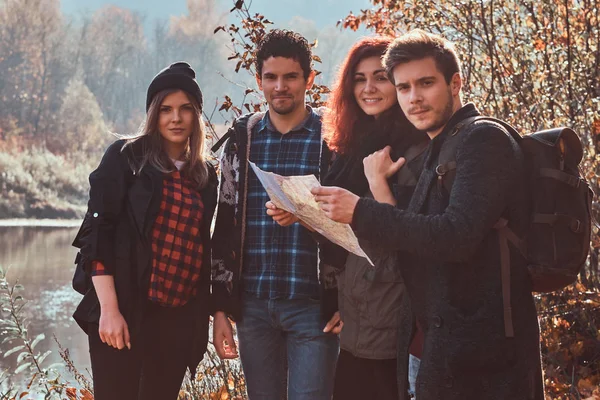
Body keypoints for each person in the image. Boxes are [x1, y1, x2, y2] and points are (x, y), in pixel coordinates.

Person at [311, 30, 544, 399]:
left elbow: (457, 235)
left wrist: (360, 210)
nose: (413, 98)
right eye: (403, 88)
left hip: (484, 357)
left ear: (455, 83)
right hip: (436, 348)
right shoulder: (440, 144)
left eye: (425, 83)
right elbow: (411, 241)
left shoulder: (483, 139)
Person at [71, 62, 218, 400]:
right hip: (124, 311)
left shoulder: (205, 176)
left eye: (185, 109)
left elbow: (204, 248)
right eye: (166, 109)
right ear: (154, 114)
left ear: (196, 115)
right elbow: (98, 234)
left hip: (176, 323)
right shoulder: (126, 157)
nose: (176, 118)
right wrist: (109, 310)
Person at [211, 29, 338, 399]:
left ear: (309, 79)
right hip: (254, 308)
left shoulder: (331, 139)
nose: (280, 86)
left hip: (314, 308)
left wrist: (345, 297)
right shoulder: (242, 138)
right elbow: (225, 223)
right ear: (258, 80)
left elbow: (353, 223)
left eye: (291, 77)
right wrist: (220, 307)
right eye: (271, 77)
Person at [320, 36, 426, 400]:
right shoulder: (354, 145)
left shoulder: (416, 145)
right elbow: (344, 231)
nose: (368, 88)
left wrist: (379, 182)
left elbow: (414, 238)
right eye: (359, 79)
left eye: (380, 77)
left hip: (394, 313)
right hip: (356, 312)